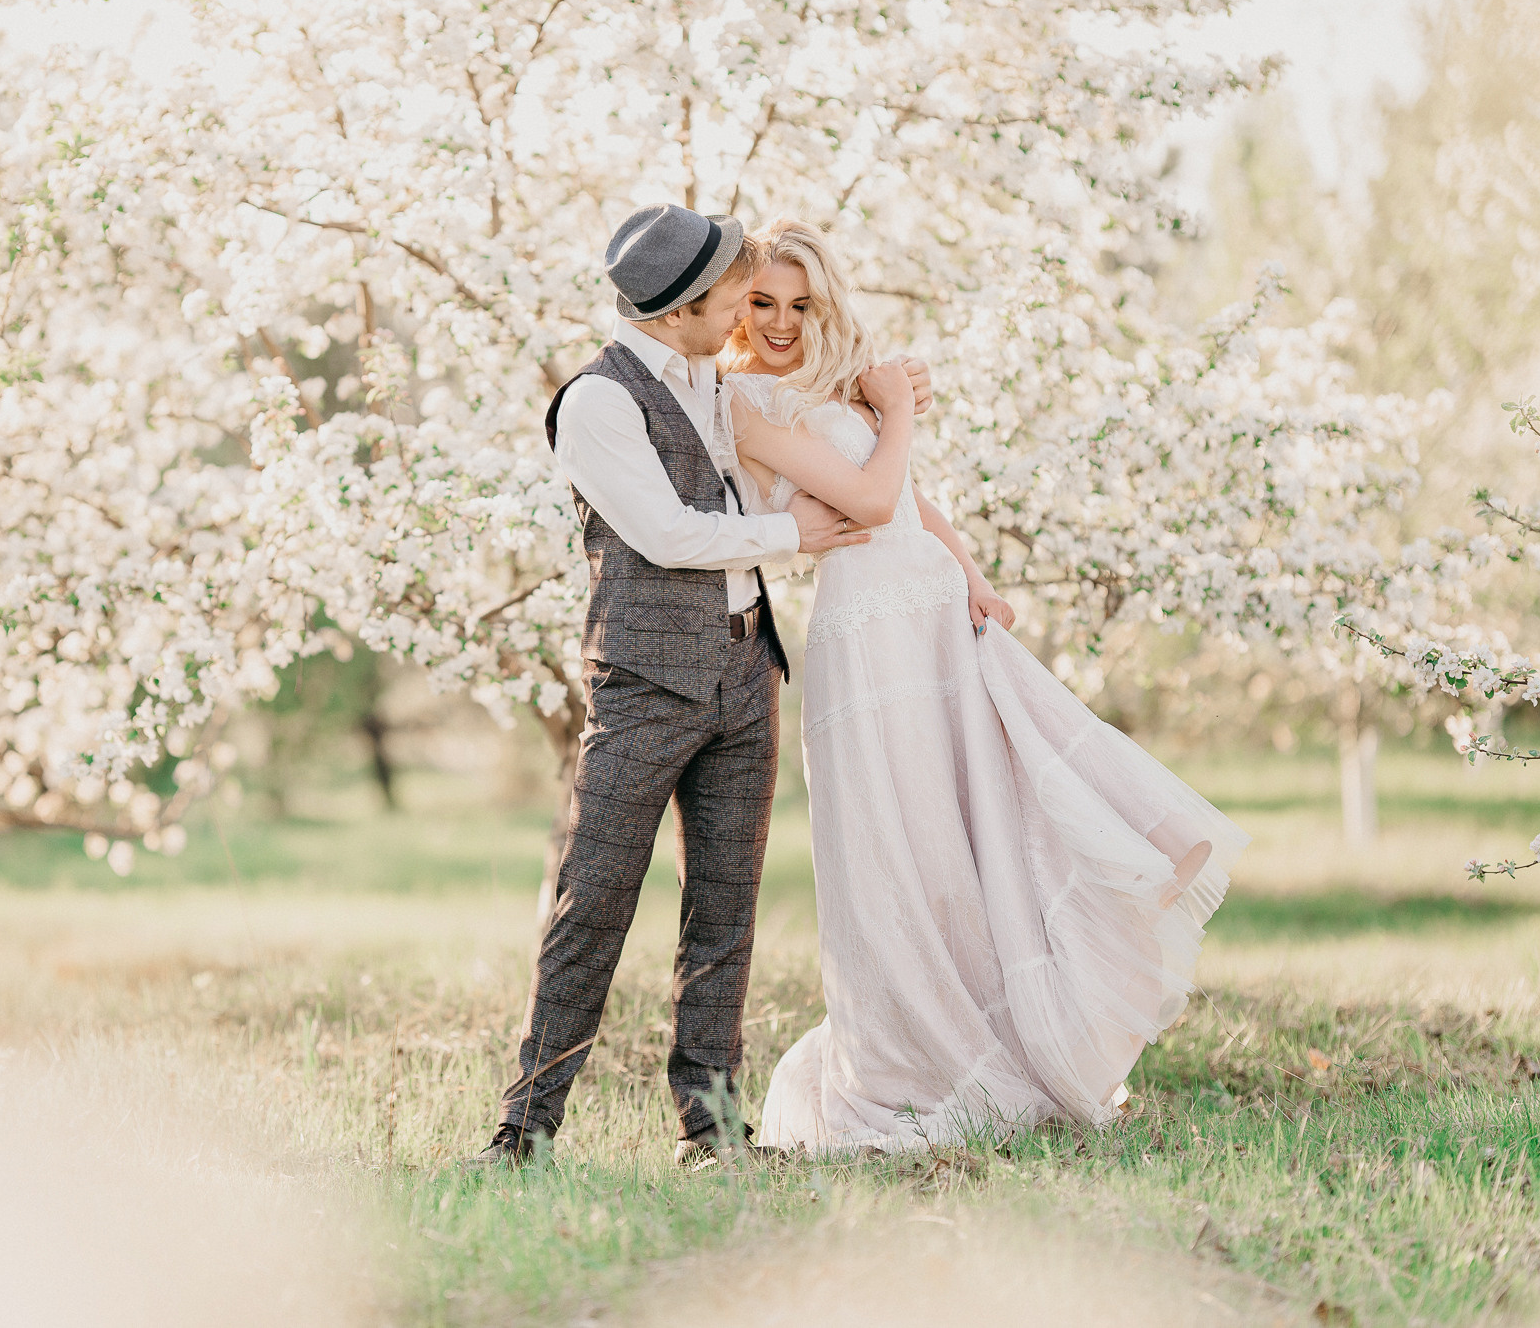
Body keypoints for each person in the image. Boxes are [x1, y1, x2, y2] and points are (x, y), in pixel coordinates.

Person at [722, 219, 1249, 1151]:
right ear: (735, 302)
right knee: (903, 842)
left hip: (928, 613)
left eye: (800, 303)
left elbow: (912, 500)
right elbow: (873, 499)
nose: (779, 321)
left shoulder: (834, 387)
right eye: (762, 302)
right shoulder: (744, 404)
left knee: (982, 820)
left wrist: (971, 574)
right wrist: (898, 414)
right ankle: (921, 1055)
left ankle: (1020, 1026)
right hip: (867, 638)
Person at [469, 204, 928, 1168]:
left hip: (744, 666)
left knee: (724, 912)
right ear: (683, 304)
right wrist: (792, 535)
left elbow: (786, 445)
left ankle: (712, 1132)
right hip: (643, 681)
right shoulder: (597, 402)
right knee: (592, 901)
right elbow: (672, 533)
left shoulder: (716, 390)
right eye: (732, 293)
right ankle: (524, 1131)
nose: (744, 310)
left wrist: (882, 406)